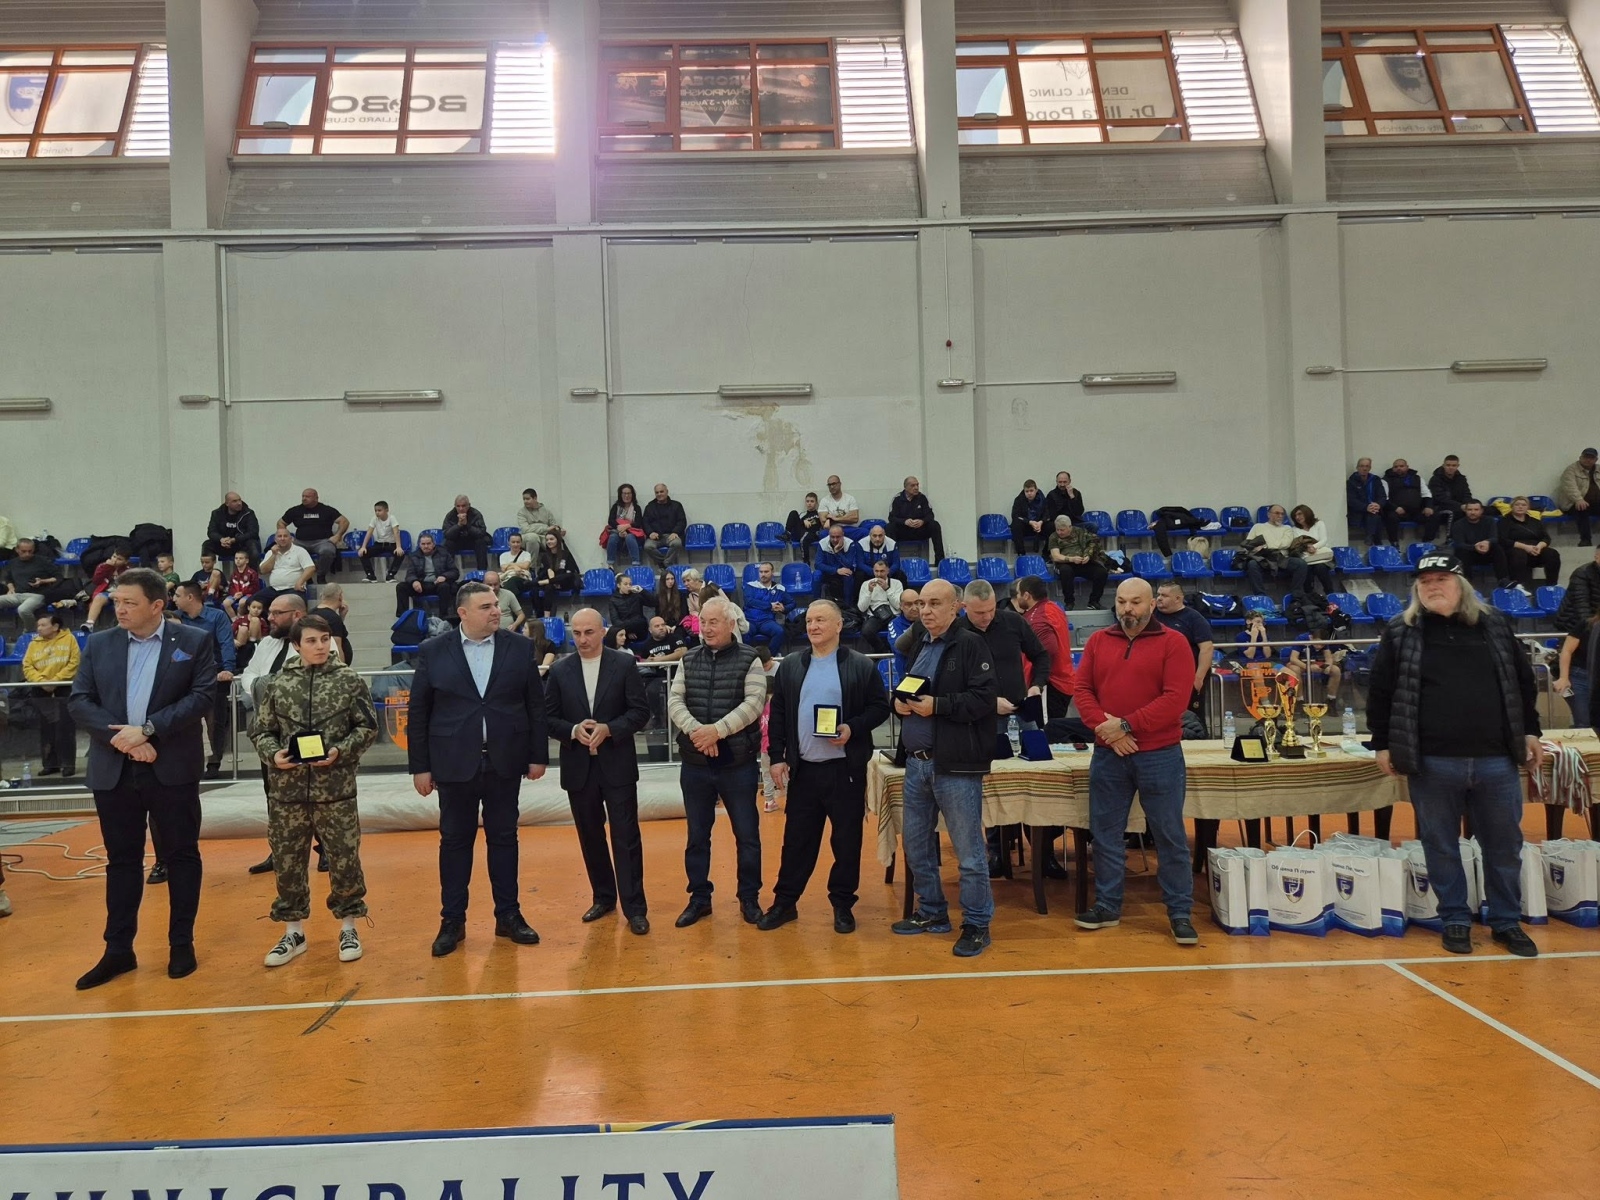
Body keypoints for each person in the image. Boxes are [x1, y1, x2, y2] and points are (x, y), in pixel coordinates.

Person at [1365, 552, 1541, 957]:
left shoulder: (1494, 624)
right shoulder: (1401, 631)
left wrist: (1531, 730)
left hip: (1496, 758)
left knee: (1504, 846)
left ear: (1461, 585)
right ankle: (1455, 919)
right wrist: (1382, 743)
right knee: (1440, 844)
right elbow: (1381, 690)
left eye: (1441, 579)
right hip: (1432, 761)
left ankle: (1506, 921)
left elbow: (1522, 681)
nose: (1433, 587)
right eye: (1425, 581)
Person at [68, 568, 216, 989]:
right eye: (117, 601)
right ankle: (118, 950)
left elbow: (202, 696)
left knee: (181, 855)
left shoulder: (193, 641)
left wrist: (149, 730)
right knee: (122, 860)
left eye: (129, 603)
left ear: (156, 606)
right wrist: (128, 742)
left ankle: (181, 944)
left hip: (172, 767)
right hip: (115, 768)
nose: (119, 609)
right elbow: (80, 701)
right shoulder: (100, 644)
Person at [408, 581, 549, 957]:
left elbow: (535, 706)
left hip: (506, 759)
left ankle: (509, 916)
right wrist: (420, 767)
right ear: (463, 613)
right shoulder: (433, 650)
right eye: (486, 606)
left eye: (496, 605)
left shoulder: (519, 647)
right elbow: (419, 711)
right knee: (455, 842)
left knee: (505, 839)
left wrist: (538, 755)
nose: (496, 611)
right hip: (453, 763)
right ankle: (452, 921)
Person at [1073, 578, 1197, 946]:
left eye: (1136, 602)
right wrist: (1111, 732)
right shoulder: (1098, 641)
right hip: (1109, 754)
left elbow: (1176, 699)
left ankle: (1179, 912)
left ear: (1152, 605)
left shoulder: (1174, 643)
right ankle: (1107, 906)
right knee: (1105, 835)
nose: (1128, 609)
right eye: (1122, 602)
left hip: (1160, 754)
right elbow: (1082, 691)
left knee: (1169, 835)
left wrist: (1126, 725)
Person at [251, 613, 378, 967]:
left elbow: (367, 728)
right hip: (287, 794)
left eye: (325, 639)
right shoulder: (277, 684)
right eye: (311, 641)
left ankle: (349, 926)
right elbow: (261, 731)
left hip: (335, 791)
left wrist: (340, 751)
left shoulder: (349, 681)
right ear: (296, 645)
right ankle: (293, 932)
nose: (320, 646)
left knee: (344, 859)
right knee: (288, 862)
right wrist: (274, 755)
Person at [759, 599, 890, 933]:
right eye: (809, 622)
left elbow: (880, 707)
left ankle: (843, 904)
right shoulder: (791, 665)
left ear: (838, 626)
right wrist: (777, 757)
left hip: (844, 771)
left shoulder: (860, 665)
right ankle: (785, 903)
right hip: (804, 771)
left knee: (846, 842)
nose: (813, 627)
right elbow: (779, 714)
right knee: (796, 842)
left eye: (820, 620)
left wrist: (852, 728)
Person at [890, 579, 998, 958]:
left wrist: (938, 706)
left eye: (935, 603)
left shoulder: (970, 644)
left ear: (956, 608)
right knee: (916, 845)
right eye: (922, 604)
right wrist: (897, 704)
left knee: (968, 852)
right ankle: (932, 911)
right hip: (916, 764)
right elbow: (909, 690)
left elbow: (983, 699)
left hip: (954, 765)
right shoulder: (920, 643)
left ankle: (977, 924)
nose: (926, 610)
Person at [545, 607, 653, 935]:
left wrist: (610, 729)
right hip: (579, 768)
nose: (582, 639)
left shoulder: (623, 664)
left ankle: (635, 908)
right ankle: (603, 897)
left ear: (603, 631)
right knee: (590, 836)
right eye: (576, 633)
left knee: (626, 837)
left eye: (589, 632)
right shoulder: (560, 671)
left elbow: (640, 712)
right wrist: (572, 730)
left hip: (617, 764)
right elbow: (547, 718)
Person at [666, 595, 768, 928]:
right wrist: (699, 733)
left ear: (731, 624)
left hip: (738, 764)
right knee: (697, 836)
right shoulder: (688, 659)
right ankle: (699, 898)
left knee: (747, 835)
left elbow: (753, 704)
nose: (707, 629)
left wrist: (717, 731)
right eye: (703, 622)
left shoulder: (750, 659)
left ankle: (749, 898)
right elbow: (675, 700)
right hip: (695, 762)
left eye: (714, 622)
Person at [239, 592, 309, 874]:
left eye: (277, 613)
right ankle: (279, 851)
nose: (270, 618)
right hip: (269, 732)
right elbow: (248, 676)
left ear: (297, 615)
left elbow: (306, 680)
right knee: (274, 793)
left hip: (305, 730)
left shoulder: (314, 640)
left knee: (314, 791)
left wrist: (267, 684)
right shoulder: (267, 643)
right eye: (270, 613)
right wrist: (268, 686)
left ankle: (326, 850)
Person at [170, 581, 238, 780]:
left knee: (214, 721)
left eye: (177, 595)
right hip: (183, 676)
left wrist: (228, 669)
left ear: (190, 597)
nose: (174, 599)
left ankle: (214, 763)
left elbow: (226, 643)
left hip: (212, 674)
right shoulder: (176, 618)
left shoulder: (217, 616)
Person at [23, 609, 80, 778]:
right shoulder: (33, 643)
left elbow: (74, 662)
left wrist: (56, 680)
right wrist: (41, 681)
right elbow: (27, 666)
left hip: (64, 686)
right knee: (45, 728)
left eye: (43, 625)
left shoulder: (69, 639)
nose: (39, 628)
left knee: (65, 727)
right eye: (38, 626)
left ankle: (67, 764)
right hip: (40, 689)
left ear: (55, 626)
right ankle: (50, 765)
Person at [1153, 581, 1215, 722]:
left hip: (1187, 677)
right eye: (1158, 594)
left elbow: (1206, 648)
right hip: (1159, 677)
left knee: (1190, 718)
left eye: (1164, 595)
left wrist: (1198, 678)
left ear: (1178, 598)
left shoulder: (1194, 618)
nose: (1159, 598)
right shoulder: (1152, 615)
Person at [279, 488, 348, 585]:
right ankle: (307, 577)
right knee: (291, 552)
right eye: (303, 496)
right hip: (301, 541)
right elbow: (281, 523)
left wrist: (338, 535)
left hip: (322, 541)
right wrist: (287, 537)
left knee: (327, 551)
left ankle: (321, 576)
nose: (304, 498)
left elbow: (344, 521)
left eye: (307, 496)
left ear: (316, 498)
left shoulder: (326, 510)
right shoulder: (295, 510)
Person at [1242, 505, 1308, 596]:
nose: (1280, 516)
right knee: (1252, 564)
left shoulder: (1287, 528)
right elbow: (1248, 544)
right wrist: (1269, 546)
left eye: (1282, 514)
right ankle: (1261, 596)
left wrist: (1264, 545)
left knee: (1301, 564)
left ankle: (1296, 595)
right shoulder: (1257, 527)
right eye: (1277, 513)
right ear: (1269, 515)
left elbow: (1286, 543)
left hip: (1281, 558)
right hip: (1263, 558)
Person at [1498, 495, 1561, 590]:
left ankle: (1552, 584)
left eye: (1523, 505)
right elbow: (1503, 540)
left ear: (1528, 507)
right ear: (1512, 507)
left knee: (1552, 554)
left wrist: (1539, 547)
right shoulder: (1504, 522)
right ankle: (1519, 586)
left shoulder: (1535, 522)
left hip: (1535, 550)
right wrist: (1526, 547)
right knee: (1519, 554)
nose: (1520, 507)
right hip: (1515, 550)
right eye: (1517, 504)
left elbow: (1546, 538)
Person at [1046, 515, 1109, 609]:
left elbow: (1092, 543)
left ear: (1069, 527)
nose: (1059, 532)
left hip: (1082, 562)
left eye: (1062, 530)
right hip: (1065, 563)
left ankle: (1094, 601)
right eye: (1057, 529)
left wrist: (1088, 555)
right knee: (1066, 571)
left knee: (1101, 572)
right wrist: (1071, 559)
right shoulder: (1053, 537)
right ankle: (1069, 602)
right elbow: (1055, 556)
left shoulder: (1080, 532)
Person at [1552, 607, 1599, 728]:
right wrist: (1563, 677)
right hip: (1580, 676)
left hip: (1594, 677)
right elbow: (1567, 650)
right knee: (1583, 721)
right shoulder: (1586, 625)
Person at [394, 532, 458, 619]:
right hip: (421, 584)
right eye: (423, 544)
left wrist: (444, 576)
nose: (426, 546)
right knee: (401, 587)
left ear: (433, 544)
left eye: (428, 543)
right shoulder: (414, 556)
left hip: (438, 584)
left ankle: (444, 616)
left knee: (445, 586)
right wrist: (414, 581)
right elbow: (410, 574)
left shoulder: (444, 554)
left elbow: (455, 572)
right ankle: (403, 618)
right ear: (419, 545)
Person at [1451, 499, 1511, 589]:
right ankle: (1467, 583)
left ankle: (1503, 580)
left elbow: (1494, 538)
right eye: (1470, 510)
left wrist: (1487, 542)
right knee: (1460, 551)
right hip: (1468, 553)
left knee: (1497, 548)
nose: (1473, 512)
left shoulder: (1490, 521)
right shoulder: (1458, 524)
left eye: (1476, 510)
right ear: (1465, 510)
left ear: (1481, 511)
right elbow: (1459, 543)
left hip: (1486, 552)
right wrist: (1475, 547)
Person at [888, 475, 945, 561]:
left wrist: (922, 521)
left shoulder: (922, 498)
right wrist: (904, 522)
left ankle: (940, 561)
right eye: (913, 485)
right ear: (905, 487)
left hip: (919, 530)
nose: (916, 488)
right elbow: (891, 518)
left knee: (935, 525)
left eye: (917, 485)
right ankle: (891, 561)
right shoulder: (897, 499)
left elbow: (930, 515)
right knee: (889, 527)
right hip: (903, 531)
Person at [743, 561, 794, 654]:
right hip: (750, 620)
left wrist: (783, 608)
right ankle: (749, 656)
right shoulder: (750, 586)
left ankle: (769, 656)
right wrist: (770, 605)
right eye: (761, 572)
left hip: (766, 621)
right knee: (744, 631)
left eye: (766, 572)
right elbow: (749, 601)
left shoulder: (779, 589)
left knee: (779, 632)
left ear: (772, 572)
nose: (763, 574)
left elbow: (792, 603)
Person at [1555, 447, 1600, 547]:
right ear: (1580, 457)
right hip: (1572, 503)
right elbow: (1570, 487)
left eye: (1591, 458)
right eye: (1586, 457)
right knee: (1582, 508)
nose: (1588, 460)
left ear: (1596, 459)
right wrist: (1578, 499)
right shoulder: (1571, 470)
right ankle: (1585, 540)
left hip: (1594, 503)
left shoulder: (1598, 469)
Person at [79, 548, 131, 633]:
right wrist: (107, 567)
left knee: (120, 600)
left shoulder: (128, 571)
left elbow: (128, 586)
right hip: (106, 593)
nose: (115, 560)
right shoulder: (103, 566)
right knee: (98, 598)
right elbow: (96, 581)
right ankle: (89, 623)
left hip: (121, 594)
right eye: (114, 556)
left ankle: (120, 625)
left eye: (119, 559)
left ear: (126, 561)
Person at [1288, 505, 1336, 595]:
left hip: (1322, 557)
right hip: (1307, 557)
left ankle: (1330, 593)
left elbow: (1324, 540)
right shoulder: (1294, 529)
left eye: (1299, 514)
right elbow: (1297, 544)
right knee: (1306, 569)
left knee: (1320, 567)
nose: (1297, 517)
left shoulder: (1319, 524)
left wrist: (1314, 547)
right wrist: (1307, 548)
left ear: (1307, 513)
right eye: (1295, 516)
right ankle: (1309, 595)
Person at [260, 527, 316, 605]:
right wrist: (274, 555)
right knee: (252, 601)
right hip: (273, 589)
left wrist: (300, 582)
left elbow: (311, 568)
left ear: (291, 539)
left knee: (284, 605)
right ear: (275, 540)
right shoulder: (270, 552)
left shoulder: (300, 551)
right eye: (279, 536)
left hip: (293, 589)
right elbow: (263, 571)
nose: (282, 538)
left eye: (285, 536)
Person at [857, 559, 904, 654]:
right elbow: (862, 608)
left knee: (900, 631)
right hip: (875, 616)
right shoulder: (866, 584)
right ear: (873, 571)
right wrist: (869, 592)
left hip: (893, 614)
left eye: (882, 571)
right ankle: (883, 652)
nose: (879, 574)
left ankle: (897, 653)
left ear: (888, 571)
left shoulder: (897, 583)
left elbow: (899, 606)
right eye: (876, 571)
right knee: (866, 631)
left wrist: (887, 589)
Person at [1382, 458, 1432, 544]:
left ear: (1407, 467)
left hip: (1416, 511)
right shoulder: (1386, 480)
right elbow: (1384, 498)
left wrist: (1428, 506)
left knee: (1432, 516)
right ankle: (1394, 543)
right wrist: (1395, 508)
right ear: (1392, 469)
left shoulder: (1417, 478)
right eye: (1396, 467)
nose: (1399, 468)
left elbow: (1426, 494)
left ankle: (1427, 542)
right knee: (1390, 517)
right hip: (1397, 511)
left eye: (1401, 466)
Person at [204, 492, 261, 562]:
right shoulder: (217, 513)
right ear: (227, 503)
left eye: (239, 500)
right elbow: (211, 532)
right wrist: (221, 539)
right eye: (235, 501)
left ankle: (253, 569)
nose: (239, 503)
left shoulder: (248, 513)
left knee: (252, 545)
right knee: (207, 544)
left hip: (241, 544)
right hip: (224, 545)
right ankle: (208, 568)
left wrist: (234, 540)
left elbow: (253, 533)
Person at [441, 494, 492, 572]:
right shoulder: (450, 515)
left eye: (463, 506)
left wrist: (467, 525)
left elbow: (481, 533)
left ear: (469, 505)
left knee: (481, 542)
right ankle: (448, 572)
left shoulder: (476, 514)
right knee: (448, 543)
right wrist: (458, 525)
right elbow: (447, 534)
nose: (461, 509)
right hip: (457, 541)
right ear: (455, 506)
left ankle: (482, 572)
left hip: (472, 540)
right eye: (458, 506)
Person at [641, 482, 688, 566]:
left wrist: (675, 532)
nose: (659, 494)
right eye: (657, 492)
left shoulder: (677, 505)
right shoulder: (650, 507)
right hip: (656, 537)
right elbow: (645, 522)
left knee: (677, 544)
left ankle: (665, 564)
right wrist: (650, 533)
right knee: (647, 546)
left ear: (667, 491)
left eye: (661, 491)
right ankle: (665, 563)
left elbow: (682, 521)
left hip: (671, 535)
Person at [533, 532, 578, 618]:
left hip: (564, 582)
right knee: (539, 588)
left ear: (558, 540)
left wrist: (553, 580)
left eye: (551, 539)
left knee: (561, 579)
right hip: (550, 583)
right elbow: (543, 573)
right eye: (547, 540)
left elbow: (570, 574)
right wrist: (550, 577)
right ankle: (544, 616)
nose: (549, 542)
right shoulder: (545, 556)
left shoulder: (566, 554)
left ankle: (547, 616)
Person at [1427, 455, 1471, 541]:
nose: (1451, 468)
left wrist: (1468, 505)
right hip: (1440, 507)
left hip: (1460, 506)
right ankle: (1450, 539)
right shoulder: (1435, 479)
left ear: (1458, 466)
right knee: (1454, 512)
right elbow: (1439, 498)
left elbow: (1467, 494)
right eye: (1448, 465)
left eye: (1453, 465)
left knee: (1476, 510)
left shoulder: (1461, 479)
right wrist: (1460, 506)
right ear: (1443, 465)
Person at [358, 500, 404, 583]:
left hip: (391, 544)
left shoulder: (392, 518)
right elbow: (369, 532)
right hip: (379, 544)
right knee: (363, 553)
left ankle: (390, 575)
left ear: (386, 510)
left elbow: (396, 532)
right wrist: (363, 547)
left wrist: (398, 547)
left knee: (400, 554)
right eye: (375, 510)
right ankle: (371, 575)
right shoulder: (374, 519)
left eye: (379, 510)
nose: (377, 513)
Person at [1346, 458, 1389, 546]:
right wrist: (1366, 507)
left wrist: (1378, 504)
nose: (1364, 468)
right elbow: (1351, 500)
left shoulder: (1376, 480)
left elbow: (1382, 496)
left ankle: (1370, 537)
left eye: (1367, 466)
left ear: (1370, 468)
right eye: (1362, 466)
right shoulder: (1351, 482)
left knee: (1376, 515)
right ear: (1357, 467)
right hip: (1359, 512)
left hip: (1375, 509)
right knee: (1375, 517)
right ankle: (1376, 542)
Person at [814, 526, 861, 607]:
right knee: (816, 574)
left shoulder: (850, 543)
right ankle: (815, 604)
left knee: (849, 575)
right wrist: (836, 570)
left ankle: (848, 606)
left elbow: (849, 565)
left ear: (843, 535)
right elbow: (818, 564)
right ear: (829, 535)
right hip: (828, 572)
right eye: (832, 537)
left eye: (838, 537)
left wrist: (838, 552)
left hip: (843, 573)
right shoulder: (822, 543)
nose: (835, 540)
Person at [309, 582, 353, 665]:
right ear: (340, 596)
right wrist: (342, 668)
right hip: (331, 666)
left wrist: (341, 617)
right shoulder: (333, 618)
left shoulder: (311, 613)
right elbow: (336, 647)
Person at [608, 570, 654, 644]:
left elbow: (653, 603)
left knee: (641, 622)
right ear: (618, 585)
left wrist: (642, 591)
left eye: (630, 584)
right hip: (624, 632)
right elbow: (615, 621)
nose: (628, 586)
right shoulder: (613, 600)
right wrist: (627, 631)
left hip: (640, 628)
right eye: (625, 584)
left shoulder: (636, 595)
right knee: (616, 630)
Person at [606, 483, 645, 567]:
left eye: (629, 493)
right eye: (624, 493)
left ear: (632, 495)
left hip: (632, 533)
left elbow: (638, 523)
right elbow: (611, 521)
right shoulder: (615, 507)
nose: (626, 496)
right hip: (618, 531)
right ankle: (610, 564)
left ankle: (636, 564)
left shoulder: (636, 508)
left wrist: (627, 527)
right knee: (613, 537)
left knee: (629, 537)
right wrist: (619, 529)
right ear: (620, 495)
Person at [889, 587, 922, 678]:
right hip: (906, 674)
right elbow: (899, 648)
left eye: (917, 603)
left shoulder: (928, 621)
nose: (914, 608)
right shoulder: (894, 624)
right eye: (908, 604)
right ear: (901, 606)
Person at [785, 492, 826, 564]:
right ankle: (787, 534)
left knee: (804, 539)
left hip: (812, 533)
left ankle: (806, 562)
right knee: (793, 513)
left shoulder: (819, 514)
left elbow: (820, 526)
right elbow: (797, 525)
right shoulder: (802, 515)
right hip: (800, 532)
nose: (809, 503)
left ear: (816, 503)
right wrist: (803, 521)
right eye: (807, 501)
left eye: (812, 501)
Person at [1010, 479, 1048, 555]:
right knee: (1016, 524)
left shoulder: (1043, 500)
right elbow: (1015, 515)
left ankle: (1047, 554)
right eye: (1027, 491)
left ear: (1036, 490)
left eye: (1031, 491)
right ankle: (1021, 553)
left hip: (1040, 525)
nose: (1029, 493)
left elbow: (1047, 514)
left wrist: (1041, 522)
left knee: (1052, 526)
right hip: (1026, 525)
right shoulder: (1019, 500)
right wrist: (1029, 522)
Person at [223, 550, 261, 621]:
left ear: (247, 561)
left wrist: (242, 593)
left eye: (240, 558)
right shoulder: (234, 573)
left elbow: (254, 588)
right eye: (236, 558)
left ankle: (240, 618)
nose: (238, 560)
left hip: (248, 594)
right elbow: (231, 586)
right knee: (226, 603)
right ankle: (234, 620)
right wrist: (234, 594)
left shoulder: (252, 573)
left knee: (242, 602)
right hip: (236, 594)